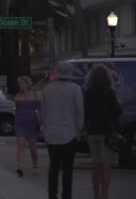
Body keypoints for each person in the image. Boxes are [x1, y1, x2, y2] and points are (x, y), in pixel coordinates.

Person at [41, 62, 84, 199]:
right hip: (69, 133)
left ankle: (52, 195)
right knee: (67, 169)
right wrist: (79, 130)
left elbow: (43, 112)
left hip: (51, 134)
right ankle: (67, 195)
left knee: (53, 168)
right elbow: (79, 112)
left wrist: (44, 129)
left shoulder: (47, 89)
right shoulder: (75, 89)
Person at [84, 65, 122, 199]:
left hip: (92, 133)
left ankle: (96, 195)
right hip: (107, 134)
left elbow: (86, 113)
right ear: (107, 77)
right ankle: (104, 195)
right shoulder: (109, 92)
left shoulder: (87, 93)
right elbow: (117, 111)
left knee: (96, 166)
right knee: (106, 166)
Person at [14, 75, 41, 177]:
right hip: (20, 123)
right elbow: (15, 109)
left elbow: (40, 110)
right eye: (19, 84)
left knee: (32, 147)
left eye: (22, 83)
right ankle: (19, 167)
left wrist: (40, 122)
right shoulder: (18, 96)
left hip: (32, 123)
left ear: (27, 84)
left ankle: (35, 166)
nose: (20, 85)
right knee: (20, 145)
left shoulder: (35, 95)